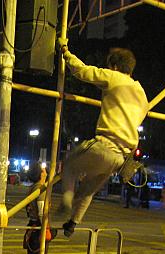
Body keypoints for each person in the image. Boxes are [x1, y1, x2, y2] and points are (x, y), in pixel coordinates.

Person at [57, 40, 149, 238]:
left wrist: (65, 51)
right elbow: (141, 115)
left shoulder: (114, 77)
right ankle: (73, 222)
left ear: (115, 67)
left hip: (104, 146)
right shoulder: (141, 93)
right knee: (89, 189)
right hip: (120, 159)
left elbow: (82, 71)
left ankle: (66, 199)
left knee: (71, 164)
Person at [20, 164, 56, 254]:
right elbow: (42, 212)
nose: (46, 172)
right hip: (38, 228)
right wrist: (46, 229)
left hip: (32, 225)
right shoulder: (40, 190)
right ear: (40, 174)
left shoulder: (32, 188)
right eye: (43, 170)